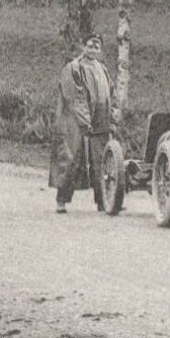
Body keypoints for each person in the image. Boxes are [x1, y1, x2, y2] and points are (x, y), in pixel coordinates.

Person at [50, 34, 113, 213]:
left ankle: (103, 201)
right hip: (74, 121)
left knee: (101, 160)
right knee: (71, 159)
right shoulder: (73, 68)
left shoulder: (102, 70)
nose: (93, 49)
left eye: (97, 46)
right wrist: (85, 121)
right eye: (90, 45)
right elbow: (75, 97)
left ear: (100, 50)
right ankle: (61, 200)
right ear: (83, 47)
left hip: (100, 119)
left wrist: (112, 120)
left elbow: (112, 94)